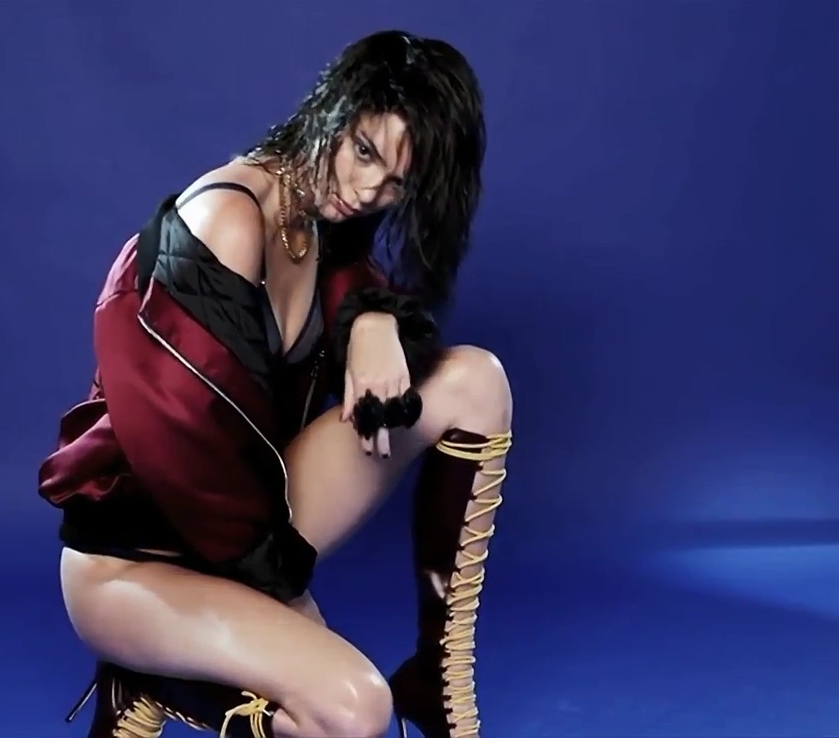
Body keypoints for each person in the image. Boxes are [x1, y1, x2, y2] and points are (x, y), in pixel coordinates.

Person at [38, 30, 513, 738]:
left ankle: (436, 680)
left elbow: (372, 321)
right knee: (353, 710)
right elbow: (189, 461)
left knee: (476, 380)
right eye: (364, 152)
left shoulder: (320, 219)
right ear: (331, 110)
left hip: (250, 518)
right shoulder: (224, 219)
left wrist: (374, 320)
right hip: (134, 564)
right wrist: (285, 597)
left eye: (397, 184)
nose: (368, 192)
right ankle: (151, 680)